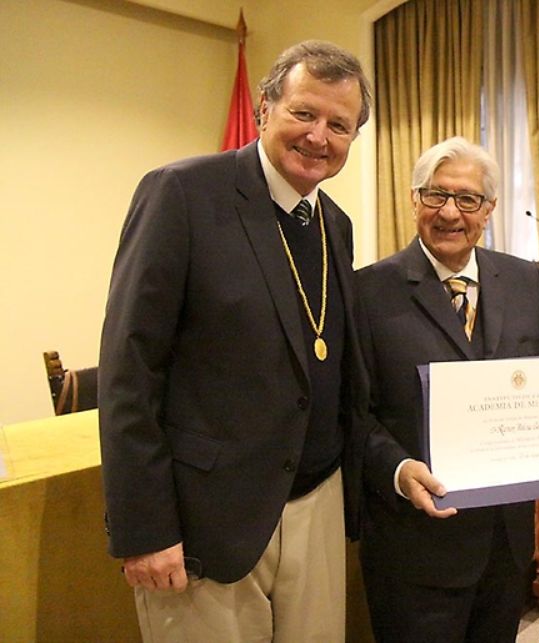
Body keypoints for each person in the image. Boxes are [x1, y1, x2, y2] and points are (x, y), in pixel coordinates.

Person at [99, 41, 373, 641]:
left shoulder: (335, 224)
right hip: (208, 516)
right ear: (264, 109)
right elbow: (130, 371)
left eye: (339, 125)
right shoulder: (182, 194)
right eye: (304, 113)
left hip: (317, 503)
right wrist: (145, 529)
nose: (318, 136)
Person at [355, 136, 539, 643]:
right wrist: (398, 471)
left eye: (467, 199)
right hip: (413, 546)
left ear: (488, 209)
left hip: (504, 544)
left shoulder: (525, 281)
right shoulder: (366, 292)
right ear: (413, 199)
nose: (450, 212)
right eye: (435, 195)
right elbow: (353, 412)